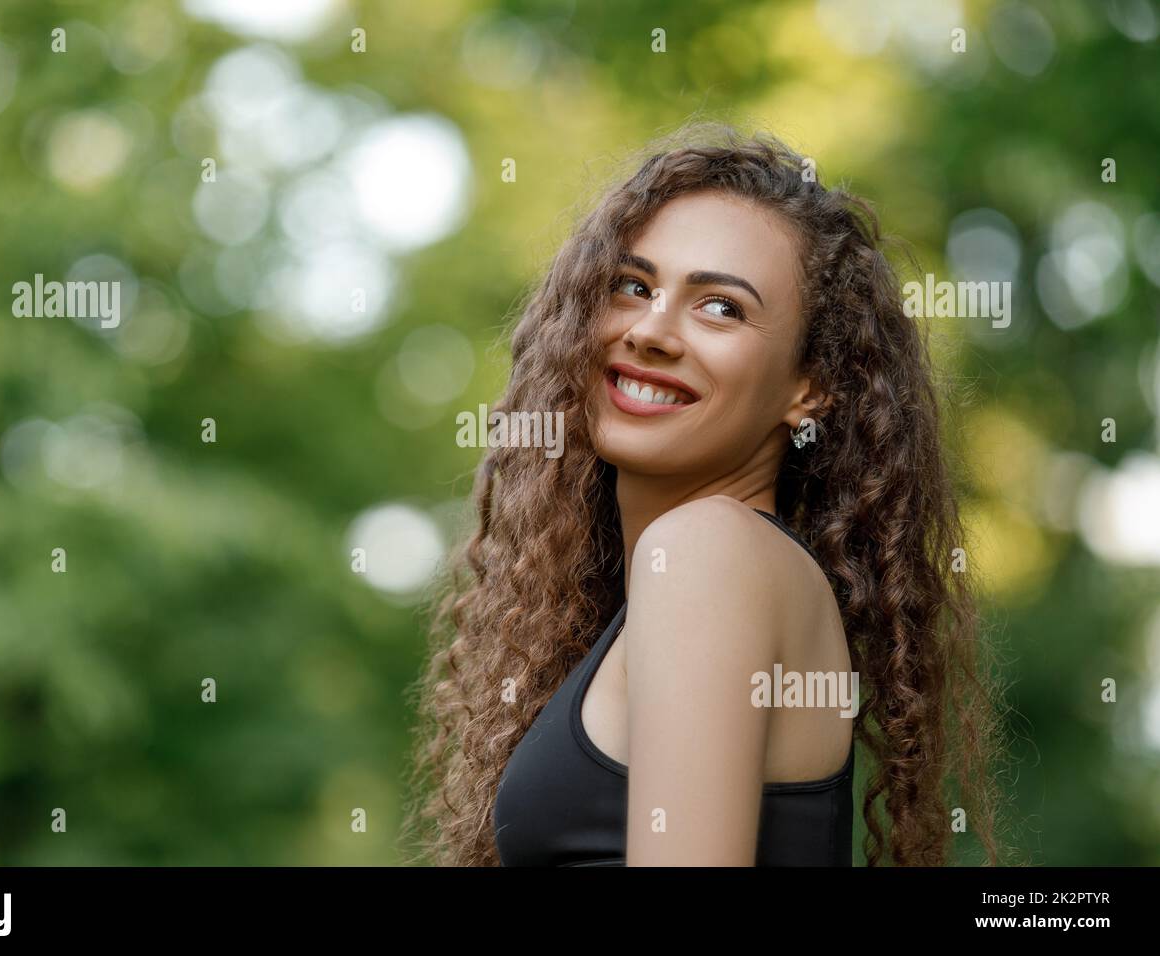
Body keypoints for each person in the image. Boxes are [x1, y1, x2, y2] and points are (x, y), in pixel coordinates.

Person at [400, 122, 1011, 866]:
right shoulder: (701, 573)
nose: (651, 331)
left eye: (721, 306)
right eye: (633, 286)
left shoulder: (706, 552)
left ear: (809, 387)